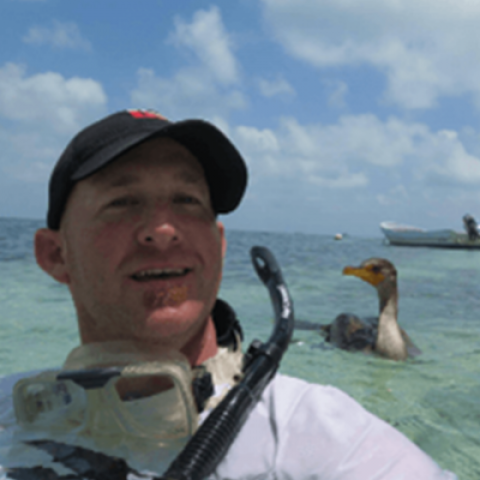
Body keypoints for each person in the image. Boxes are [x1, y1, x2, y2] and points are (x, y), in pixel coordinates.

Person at [0, 109, 456, 479]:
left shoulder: (317, 433)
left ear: (219, 247)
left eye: (187, 201)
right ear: (54, 255)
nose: (162, 230)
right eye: (122, 202)